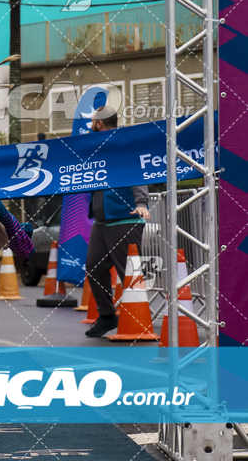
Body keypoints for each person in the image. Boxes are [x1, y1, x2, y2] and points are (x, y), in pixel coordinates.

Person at [84, 105, 150, 338]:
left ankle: (139, 319)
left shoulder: (122, 144)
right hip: (101, 222)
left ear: (99, 123)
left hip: (124, 218)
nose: (90, 124)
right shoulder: (97, 147)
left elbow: (137, 174)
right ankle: (107, 316)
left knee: (128, 273)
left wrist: (141, 202)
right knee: (94, 266)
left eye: (92, 121)